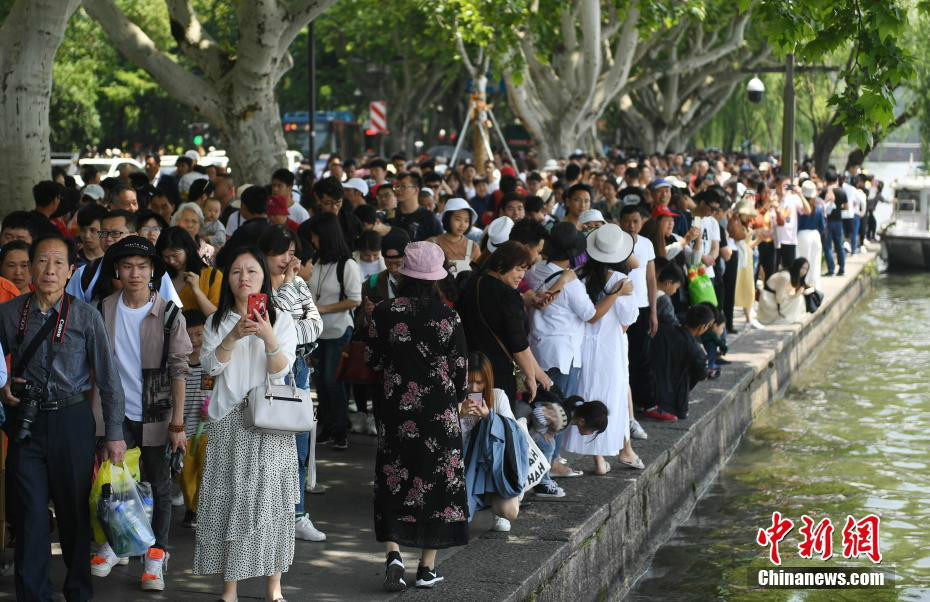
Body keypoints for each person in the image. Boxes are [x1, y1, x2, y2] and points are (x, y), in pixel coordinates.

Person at [0, 234, 126, 602]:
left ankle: (78, 591)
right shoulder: (9, 313)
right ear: (30, 268)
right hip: (25, 422)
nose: (49, 270)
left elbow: (109, 380)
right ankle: (33, 595)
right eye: (41, 261)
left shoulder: (86, 316)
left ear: (71, 270)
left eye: (58, 263)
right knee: (31, 517)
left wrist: (114, 434)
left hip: (72, 421)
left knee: (73, 516)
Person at [193, 247, 299, 602]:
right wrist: (234, 336)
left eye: (251, 271)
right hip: (228, 420)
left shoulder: (281, 319)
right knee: (229, 502)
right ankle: (229, 589)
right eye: (236, 272)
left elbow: (281, 371)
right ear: (228, 280)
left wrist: (266, 334)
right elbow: (209, 369)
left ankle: (274, 586)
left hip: (270, 420)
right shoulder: (216, 321)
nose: (244, 278)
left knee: (271, 502)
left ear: (263, 278)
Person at [363, 241, 470, 591]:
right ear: (437, 278)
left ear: (404, 274)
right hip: (440, 414)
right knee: (439, 484)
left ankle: (394, 554)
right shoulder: (448, 317)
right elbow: (460, 372)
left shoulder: (384, 311)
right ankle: (426, 568)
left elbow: (373, 362)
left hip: (396, 411)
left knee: (395, 478)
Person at [88, 236, 192, 591]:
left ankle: (156, 555)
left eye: (143, 267)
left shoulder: (169, 313)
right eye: (128, 266)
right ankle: (120, 543)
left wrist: (178, 423)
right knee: (115, 481)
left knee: (159, 486)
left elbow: (180, 369)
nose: (135, 273)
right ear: (117, 270)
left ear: (152, 272)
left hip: (157, 412)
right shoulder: (103, 308)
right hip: (114, 411)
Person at [258, 225, 326, 542]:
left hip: (298, 367)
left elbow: (316, 325)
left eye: (292, 252)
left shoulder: (297, 283)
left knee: (298, 445)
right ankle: (266, 516)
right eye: (283, 252)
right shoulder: (257, 286)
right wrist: (287, 289)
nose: (289, 259)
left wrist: (290, 334)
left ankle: (297, 513)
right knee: (268, 446)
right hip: (268, 372)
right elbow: (278, 319)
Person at [564, 224, 643, 474]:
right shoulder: (620, 280)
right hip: (610, 347)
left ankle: (598, 460)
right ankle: (624, 450)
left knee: (587, 396)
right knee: (614, 398)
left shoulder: (577, 275)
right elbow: (629, 316)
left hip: (581, 346)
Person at [457, 241, 552, 404]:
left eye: (525, 269)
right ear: (501, 265)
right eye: (518, 268)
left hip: (471, 372)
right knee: (496, 423)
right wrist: (531, 376)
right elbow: (518, 344)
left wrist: (536, 371)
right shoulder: (508, 296)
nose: (522, 275)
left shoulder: (472, 283)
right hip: (497, 376)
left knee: (472, 416)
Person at [305, 212, 362, 450]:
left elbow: (355, 300)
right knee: (322, 381)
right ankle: (327, 427)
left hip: (339, 329)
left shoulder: (347, 265)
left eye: (316, 237)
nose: (313, 241)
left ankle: (340, 429)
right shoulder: (317, 262)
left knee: (332, 380)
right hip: (318, 332)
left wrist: (323, 308)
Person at [66, 209, 183, 306]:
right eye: (104, 233)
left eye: (115, 233)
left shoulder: (155, 271)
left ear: (134, 236)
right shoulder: (85, 274)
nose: (108, 239)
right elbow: (70, 314)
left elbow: (174, 311)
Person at [459, 351, 521, 533]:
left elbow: (513, 434)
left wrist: (489, 417)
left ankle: (497, 510)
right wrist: (459, 414)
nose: (474, 387)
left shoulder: (498, 396)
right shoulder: (455, 401)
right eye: (469, 381)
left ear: (488, 380)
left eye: (480, 382)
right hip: (466, 466)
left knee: (509, 512)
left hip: (494, 469)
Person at [618, 205, 658, 413]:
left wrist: (653, 311)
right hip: (618, 308)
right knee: (621, 356)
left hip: (641, 306)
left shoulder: (646, 244)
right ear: (619, 221)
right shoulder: (615, 243)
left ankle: (646, 403)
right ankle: (624, 404)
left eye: (636, 221)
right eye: (627, 221)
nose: (631, 226)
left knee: (641, 357)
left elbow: (651, 279)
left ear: (642, 222)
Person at [648, 304, 712, 421]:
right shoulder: (695, 349)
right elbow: (702, 374)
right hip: (673, 404)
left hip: (649, 392)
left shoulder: (663, 329)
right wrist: (704, 359)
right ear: (702, 327)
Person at [157, 226, 222, 316]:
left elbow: (218, 318)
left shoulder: (212, 275)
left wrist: (196, 290)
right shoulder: (160, 276)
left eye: (175, 255)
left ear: (187, 249)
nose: (171, 261)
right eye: (166, 257)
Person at [732, 198, 765, 330]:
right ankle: (746, 318)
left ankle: (749, 318)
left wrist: (759, 239)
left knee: (749, 287)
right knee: (741, 286)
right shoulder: (735, 224)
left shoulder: (745, 225)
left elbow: (748, 245)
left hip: (747, 257)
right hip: (741, 258)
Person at [429, 197, 481, 275]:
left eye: (466, 221)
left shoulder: (473, 247)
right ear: (447, 219)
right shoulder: (432, 243)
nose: (462, 225)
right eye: (458, 219)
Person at [389, 172, 443, 241]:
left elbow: (439, 247)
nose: (398, 190)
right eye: (397, 186)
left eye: (403, 186)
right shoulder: (391, 213)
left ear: (416, 190)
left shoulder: (429, 218)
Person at [757, 258, 810, 325]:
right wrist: (795, 295)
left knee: (799, 297)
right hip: (769, 301)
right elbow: (779, 299)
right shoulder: (785, 277)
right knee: (798, 299)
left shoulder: (792, 275)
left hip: (774, 297)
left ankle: (792, 317)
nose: (804, 271)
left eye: (806, 269)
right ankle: (788, 318)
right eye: (802, 268)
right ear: (797, 266)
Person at [796, 180, 826, 291]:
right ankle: (815, 286)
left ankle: (803, 285)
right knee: (815, 262)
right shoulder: (818, 208)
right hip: (815, 235)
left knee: (803, 262)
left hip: (802, 235)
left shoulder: (799, 208)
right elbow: (822, 226)